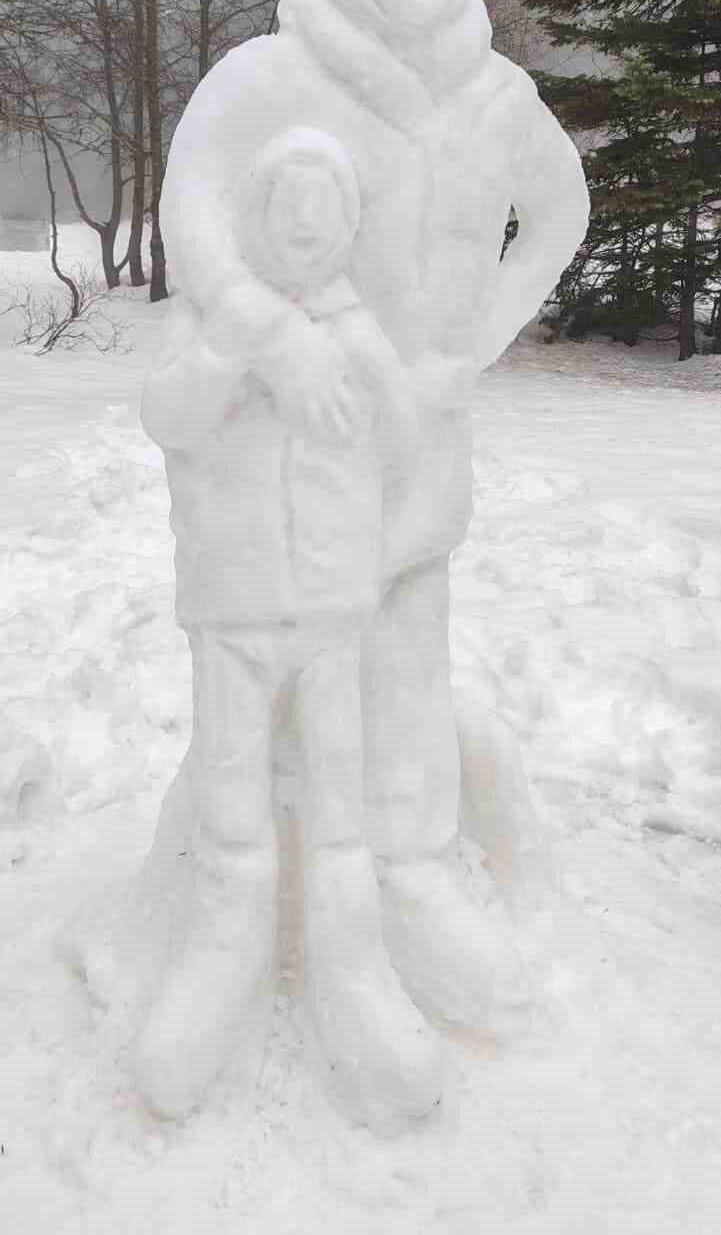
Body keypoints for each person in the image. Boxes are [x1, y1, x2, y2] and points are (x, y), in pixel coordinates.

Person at [102, 0, 587, 1129]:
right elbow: (198, 212)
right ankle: (238, 908)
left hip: (409, 460)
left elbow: (560, 209)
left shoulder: (492, 100)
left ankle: (410, 876)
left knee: (404, 672)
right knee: (266, 710)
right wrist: (264, 331)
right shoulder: (271, 77)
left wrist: (468, 349)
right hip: (273, 487)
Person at [135, 126, 447, 1126]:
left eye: (325, 207)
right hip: (229, 607)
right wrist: (246, 345)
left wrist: (349, 363)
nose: (305, 224)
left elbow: (403, 443)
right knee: (231, 795)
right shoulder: (207, 321)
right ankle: (219, 958)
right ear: (255, 219)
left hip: (328, 611)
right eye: (286, 205)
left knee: (339, 793)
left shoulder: (357, 331)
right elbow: (169, 413)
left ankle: (348, 965)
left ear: (350, 225)